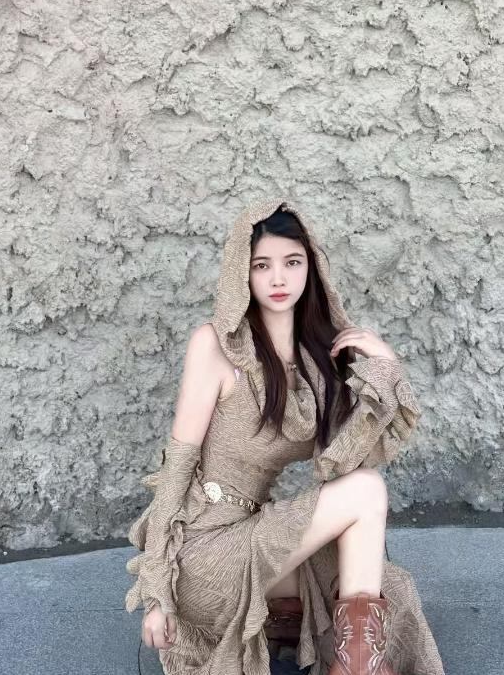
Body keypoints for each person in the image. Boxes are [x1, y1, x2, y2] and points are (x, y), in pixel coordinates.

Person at [124, 198, 445, 675]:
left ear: (310, 268)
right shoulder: (215, 346)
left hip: (257, 535)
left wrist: (385, 366)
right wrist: (157, 595)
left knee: (387, 587)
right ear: (243, 272)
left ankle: (330, 653)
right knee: (366, 492)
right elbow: (177, 468)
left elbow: (344, 463)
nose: (278, 278)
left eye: (292, 262)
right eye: (262, 265)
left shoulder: (317, 361)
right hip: (204, 553)